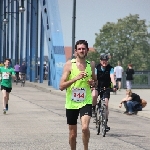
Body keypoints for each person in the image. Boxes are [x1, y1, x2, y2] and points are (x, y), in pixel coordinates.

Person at [59, 40, 96, 150]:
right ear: (75, 51)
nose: (81, 50)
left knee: (85, 128)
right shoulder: (69, 65)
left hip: (86, 101)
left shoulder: (91, 65)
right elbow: (61, 86)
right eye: (79, 49)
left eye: (83, 48)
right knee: (72, 134)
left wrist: (93, 83)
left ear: (87, 50)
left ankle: (85, 148)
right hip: (71, 103)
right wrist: (75, 78)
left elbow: (95, 81)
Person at [92, 53, 116, 131]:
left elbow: (112, 77)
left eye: (106, 60)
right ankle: (93, 109)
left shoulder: (110, 68)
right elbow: (94, 77)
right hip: (97, 86)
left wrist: (114, 85)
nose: (104, 62)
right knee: (94, 95)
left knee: (106, 103)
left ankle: (105, 123)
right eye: (103, 60)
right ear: (100, 61)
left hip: (106, 87)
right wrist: (93, 84)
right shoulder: (97, 68)